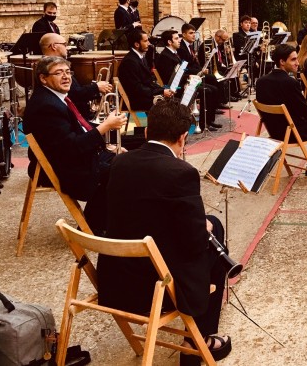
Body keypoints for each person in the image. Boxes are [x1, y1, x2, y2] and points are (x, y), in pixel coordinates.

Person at [97, 101, 232, 365]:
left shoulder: (120, 162)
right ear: (183, 138)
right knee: (215, 245)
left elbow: (106, 215)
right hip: (155, 285)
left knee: (210, 223)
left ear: (147, 132)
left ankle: (197, 337)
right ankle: (196, 342)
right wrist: (201, 226)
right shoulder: (181, 172)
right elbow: (193, 244)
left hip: (115, 277)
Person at [23, 56, 127, 234]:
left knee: (127, 156)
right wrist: (105, 127)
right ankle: (93, 227)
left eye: (67, 72)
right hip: (63, 169)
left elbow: (77, 131)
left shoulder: (55, 97)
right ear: (43, 78)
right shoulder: (46, 106)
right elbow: (70, 147)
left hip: (70, 159)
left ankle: (103, 221)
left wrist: (105, 143)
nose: (66, 77)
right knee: (122, 169)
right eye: (58, 73)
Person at [255, 44, 307, 179]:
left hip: (273, 130)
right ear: (282, 62)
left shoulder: (261, 81)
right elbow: (304, 110)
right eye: (293, 60)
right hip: (290, 132)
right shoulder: (290, 83)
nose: (297, 63)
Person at [155, 30, 221, 131]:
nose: (179, 40)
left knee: (214, 88)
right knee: (207, 91)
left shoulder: (173, 53)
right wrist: (188, 77)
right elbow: (170, 77)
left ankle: (209, 120)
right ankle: (203, 124)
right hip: (176, 88)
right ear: (169, 42)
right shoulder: (165, 56)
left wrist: (191, 76)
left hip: (184, 83)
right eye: (176, 38)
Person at [40, 33, 113, 121]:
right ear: (53, 46)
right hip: (74, 117)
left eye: (67, 72)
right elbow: (72, 94)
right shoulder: (48, 67)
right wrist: (96, 87)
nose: (67, 47)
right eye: (64, 44)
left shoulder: (52, 65)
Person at [117, 29, 173, 111]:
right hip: (137, 100)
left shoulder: (140, 57)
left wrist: (162, 90)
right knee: (170, 108)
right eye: (145, 41)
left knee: (174, 102)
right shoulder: (130, 61)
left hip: (144, 96)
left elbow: (148, 82)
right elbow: (137, 88)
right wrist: (160, 92)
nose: (149, 44)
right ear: (137, 44)